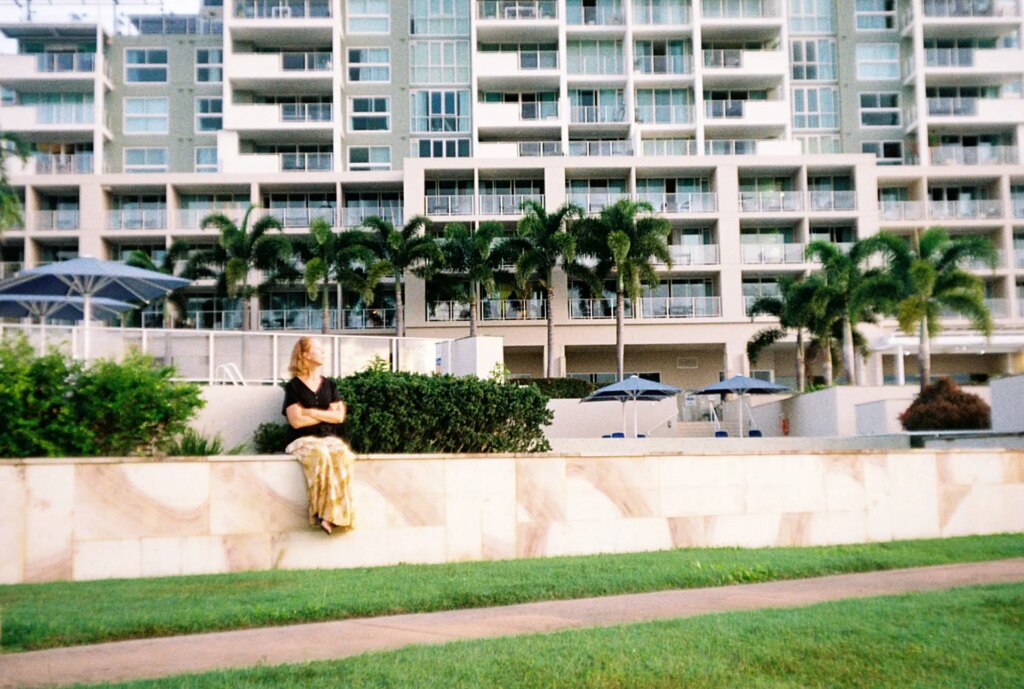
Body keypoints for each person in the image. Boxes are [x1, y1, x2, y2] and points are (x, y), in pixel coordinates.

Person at [282, 336, 355, 534]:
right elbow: (296, 421)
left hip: (329, 439)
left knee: (342, 454)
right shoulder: (294, 386)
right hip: (302, 440)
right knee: (321, 454)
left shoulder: (330, 385)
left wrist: (311, 412)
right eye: (318, 349)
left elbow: (339, 416)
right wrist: (325, 415)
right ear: (305, 354)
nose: (323, 352)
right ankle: (321, 514)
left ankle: (338, 516)